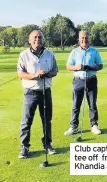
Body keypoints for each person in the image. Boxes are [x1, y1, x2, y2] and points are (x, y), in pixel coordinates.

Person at [17, 30, 58, 159]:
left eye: (40, 37)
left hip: (46, 91)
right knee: (26, 121)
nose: (37, 39)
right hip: (30, 92)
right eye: (34, 37)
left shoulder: (50, 54)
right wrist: (34, 75)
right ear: (29, 40)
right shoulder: (24, 55)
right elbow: (20, 74)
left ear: (43, 39)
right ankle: (25, 147)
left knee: (47, 120)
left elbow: (55, 70)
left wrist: (47, 73)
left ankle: (47, 144)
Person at [64, 31, 103, 136]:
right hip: (78, 80)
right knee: (76, 105)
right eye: (82, 38)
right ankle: (74, 127)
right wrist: (76, 67)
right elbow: (68, 66)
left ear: (88, 39)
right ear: (79, 39)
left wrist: (89, 67)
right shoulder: (74, 51)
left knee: (92, 104)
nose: (84, 40)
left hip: (91, 80)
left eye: (86, 38)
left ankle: (94, 125)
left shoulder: (94, 51)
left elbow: (100, 65)